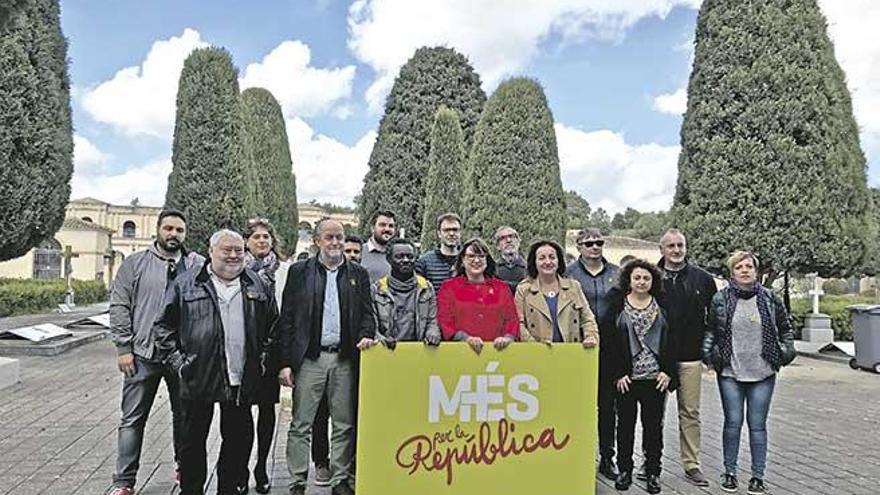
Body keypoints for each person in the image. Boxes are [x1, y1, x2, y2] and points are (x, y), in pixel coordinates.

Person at [154, 229, 277, 495]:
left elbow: (273, 328)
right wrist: (179, 364)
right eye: (226, 250)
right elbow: (163, 328)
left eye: (238, 250)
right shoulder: (185, 284)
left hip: (240, 380)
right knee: (191, 444)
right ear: (211, 252)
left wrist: (263, 359)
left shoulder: (257, 284)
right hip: (198, 378)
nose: (233, 256)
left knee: (238, 442)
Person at [277, 219, 377, 495]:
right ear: (317, 241)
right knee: (301, 423)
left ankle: (339, 479)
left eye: (340, 237)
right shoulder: (299, 272)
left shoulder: (357, 273)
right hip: (310, 359)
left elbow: (368, 314)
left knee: (344, 423)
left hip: (344, 359)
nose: (335, 243)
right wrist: (285, 362)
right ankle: (297, 480)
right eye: (329, 237)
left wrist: (367, 334)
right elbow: (288, 319)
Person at [108, 209, 203, 495]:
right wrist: (124, 347)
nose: (173, 234)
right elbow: (120, 305)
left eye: (179, 230)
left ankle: (183, 468)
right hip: (142, 355)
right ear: (158, 231)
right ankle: (124, 482)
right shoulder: (135, 264)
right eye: (169, 229)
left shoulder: (197, 264)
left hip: (182, 357)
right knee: (132, 420)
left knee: (185, 416)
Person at [702, 251, 796, 495]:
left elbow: (785, 329)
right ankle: (730, 473)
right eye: (739, 267)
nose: (744, 270)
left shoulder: (769, 298)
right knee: (732, 423)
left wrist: (786, 352)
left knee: (758, 425)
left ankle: (757, 476)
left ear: (756, 271)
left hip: (763, 372)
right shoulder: (720, 299)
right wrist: (709, 356)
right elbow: (712, 330)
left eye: (749, 267)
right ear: (732, 272)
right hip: (731, 371)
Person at [604, 259, 678, 495]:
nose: (642, 282)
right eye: (637, 277)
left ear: (653, 281)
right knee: (624, 426)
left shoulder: (663, 305)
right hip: (627, 379)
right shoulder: (617, 305)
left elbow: (673, 342)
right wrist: (617, 374)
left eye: (646, 278)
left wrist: (668, 371)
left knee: (653, 428)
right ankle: (625, 469)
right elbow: (609, 343)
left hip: (655, 379)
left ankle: (653, 472)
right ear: (629, 280)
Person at [655, 229, 717, 487]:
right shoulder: (650, 277)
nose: (676, 250)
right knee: (653, 413)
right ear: (662, 250)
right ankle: (651, 463)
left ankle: (692, 464)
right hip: (657, 357)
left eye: (680, 245)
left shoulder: (703, 279)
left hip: (690, 356)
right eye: (670, 246)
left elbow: (714, 319)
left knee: (690, 412)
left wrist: (709, 353)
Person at [565, 228, 621, 480]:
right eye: (589, 243)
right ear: (578, 247)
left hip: (611, 348)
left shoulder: (617, 274)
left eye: (599, 242)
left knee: (608, 407)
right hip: (579, 348)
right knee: (577, 405)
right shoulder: (568, 274)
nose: (595, 247)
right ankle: (577, 454)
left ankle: (607, 457)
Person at [242, 219, 283, 494]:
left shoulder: (282, 271)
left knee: (267, 412)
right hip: (243, 353)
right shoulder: (237, 270)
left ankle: (261, 467)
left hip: (272, 352)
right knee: (241, 414)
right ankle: (241, 468)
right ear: (246, 241)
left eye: (266, 236)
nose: (261, 240)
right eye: (256, 236)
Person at [437, 237, 518, 353]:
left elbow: (512, 319)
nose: (476, 260)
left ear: (487, 260)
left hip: (498, 352)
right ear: (462, 260)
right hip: (459, 352)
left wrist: (507, 338)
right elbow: (445, 320)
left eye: (481, 256)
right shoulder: (448, 287)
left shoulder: (502, 288)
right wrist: (465, 339)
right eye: (471, 256)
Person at [515, 239, 599, 347]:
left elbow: (587, 319)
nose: (548, 262)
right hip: (537, 355)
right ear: (534, 262)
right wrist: (536, 347)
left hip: (570, 353)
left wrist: (590, 336)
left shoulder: (574, 287)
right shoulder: (524, 290)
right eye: (542, 258)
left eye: (552, 257)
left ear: (559, 261)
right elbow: (519, 324)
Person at [373, 238, 441, 347]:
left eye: (410, 257)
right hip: (388, 352)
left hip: (419, 352)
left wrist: (432, 332)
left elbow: (432, 320)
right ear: (389, 259)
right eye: (399, 257)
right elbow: (372, 326)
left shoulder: (426, 287)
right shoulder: (378, 290)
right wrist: (381, 339)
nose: (405, 260)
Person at [415, 212, 462, 293]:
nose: (451, 234)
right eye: (446, 230)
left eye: (455, 230)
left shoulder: (467, 260)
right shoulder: (425, 262)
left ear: (460, 232)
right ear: (439, 233)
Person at [360, 210, 395, 282]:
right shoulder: (359, 252)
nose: (387, 229)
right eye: (382, 225)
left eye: (391, 226)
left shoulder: (397, 256)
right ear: (372, 228)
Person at [494, 226, 527, 293]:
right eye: (503, 238)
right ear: (497, 246)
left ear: (518, 242)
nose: (508, 240)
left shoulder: (530, 268)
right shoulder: (492, 271)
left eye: (512, 236)